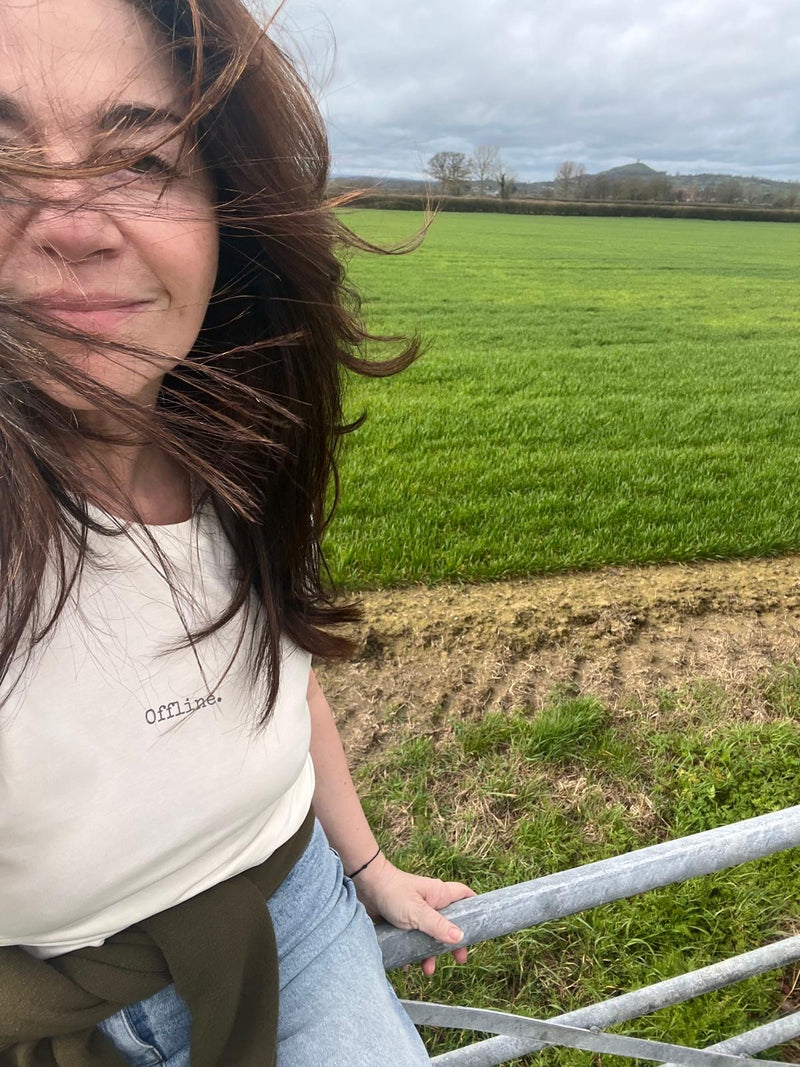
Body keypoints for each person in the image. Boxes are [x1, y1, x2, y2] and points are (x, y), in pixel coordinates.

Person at [0, 0, 475, 1063]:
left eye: (143, 159)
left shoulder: (232, 440)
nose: (73, 224)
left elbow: (281, 680)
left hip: (293, 915)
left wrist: (364, 868)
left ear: (229, 217)